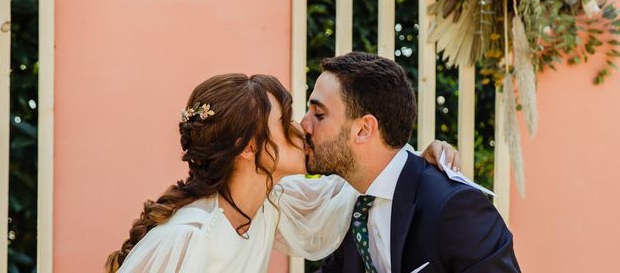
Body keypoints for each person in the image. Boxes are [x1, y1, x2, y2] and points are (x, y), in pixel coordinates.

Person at [105, 73, 458, 272]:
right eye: (284, 121)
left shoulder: (269, 208)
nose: (302, 127)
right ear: (247, 147)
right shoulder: (188, 238)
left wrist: (408, 159)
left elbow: (354, 185)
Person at [302, 52, 521, 273]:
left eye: (318, 114)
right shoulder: (354, 209)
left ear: (364, 129)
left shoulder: (454, 207)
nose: (303, 124)